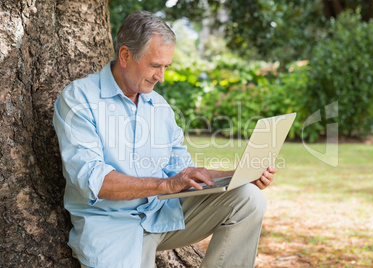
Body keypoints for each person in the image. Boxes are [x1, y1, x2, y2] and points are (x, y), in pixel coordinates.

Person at [53, 10, 276, 268]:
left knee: (248, 198)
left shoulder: (159, 106)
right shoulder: (78, 100)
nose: (162, 77)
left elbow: (181, 173)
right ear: (125, 56)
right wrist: (164, 186)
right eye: (155, 66)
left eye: (166, 67)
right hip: (111, 228)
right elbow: (93, 181)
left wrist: (238, 174)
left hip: (161, 215)